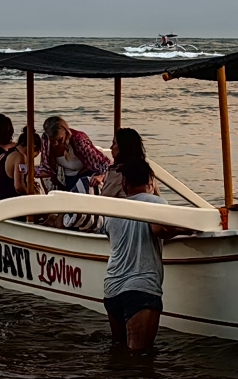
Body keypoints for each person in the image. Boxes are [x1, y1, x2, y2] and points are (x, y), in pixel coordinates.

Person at [99, 127, 181, 353]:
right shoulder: (155, 203)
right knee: (138, 356)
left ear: (124, 183)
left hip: (112, 288)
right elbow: (159, 229)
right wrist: (185, 229)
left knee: (118, 351)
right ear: (151, 180)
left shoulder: (112, 210)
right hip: (141, 287)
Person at [39, 114, 110, 192]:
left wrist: (101, 175)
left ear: (65, 132)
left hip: (86, 174)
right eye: (53, 141)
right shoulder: (46, 140)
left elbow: (105, 163)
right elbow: (46, 167)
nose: (56, 144)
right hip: (66, 178)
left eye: (59, 140)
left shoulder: (79, 140)